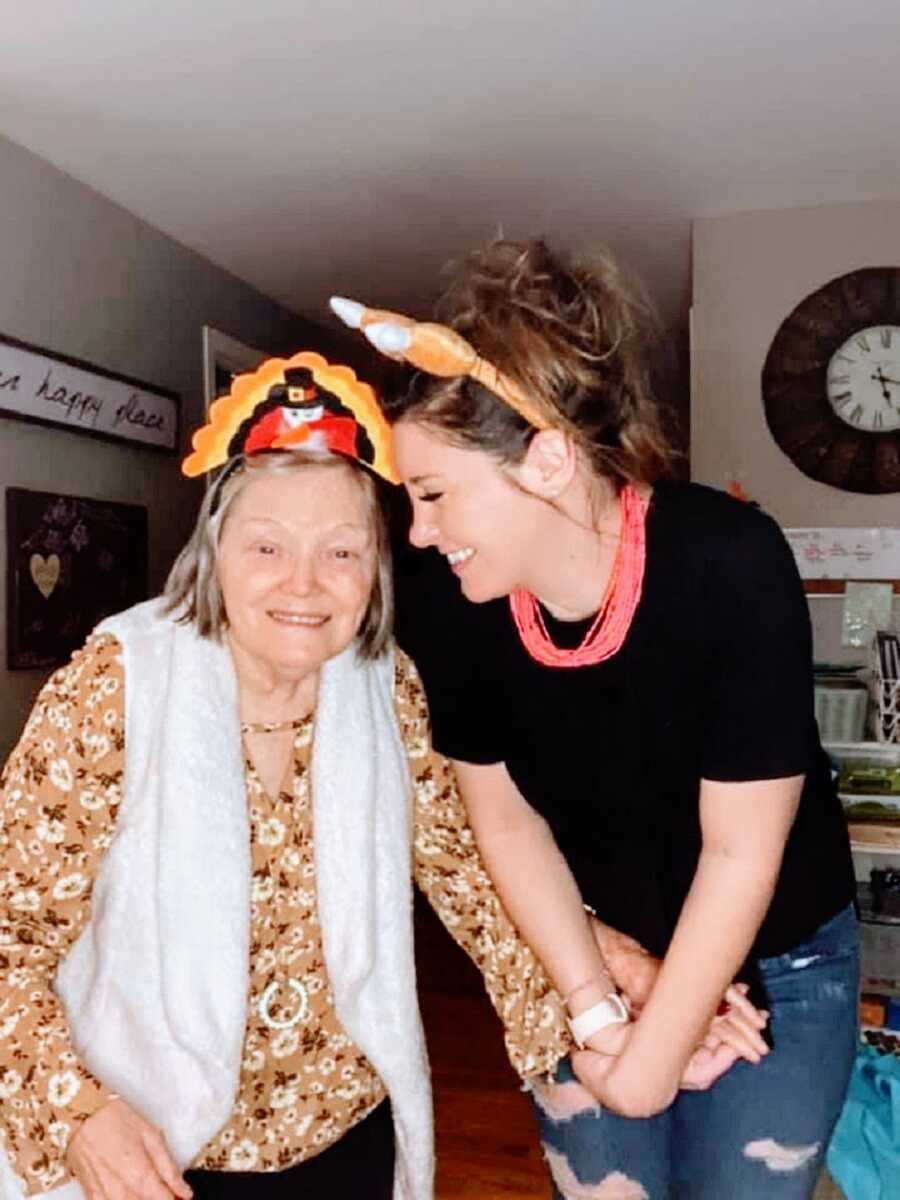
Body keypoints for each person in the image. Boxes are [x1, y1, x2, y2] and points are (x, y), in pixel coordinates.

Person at [330, 240, 859, 1200]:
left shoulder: (727, 564)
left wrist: (650, 1066)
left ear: (547, 459)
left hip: (778, 959)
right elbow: (504, 819)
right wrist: (597, 1017)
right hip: (590, 946)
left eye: (437, 495)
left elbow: (740, 853)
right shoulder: (450, 599)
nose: (417, 531)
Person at [0, 350, 579, 1200]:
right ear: (216, 550)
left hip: (345, 1130)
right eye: (268, 545)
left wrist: (608, 983)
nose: (304, 584)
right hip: (152, 1148)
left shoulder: (386, 687)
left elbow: (472, 879)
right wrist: (74, 1113)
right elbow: (8, 935)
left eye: (341, 552)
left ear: (375, 568)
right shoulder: (116, 686)